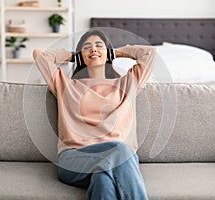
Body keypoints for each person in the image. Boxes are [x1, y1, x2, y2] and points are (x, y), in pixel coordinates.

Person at [33, 29, 156, 200]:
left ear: (108, 53)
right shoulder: (66, 85)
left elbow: (150, 52)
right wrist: (71, 55)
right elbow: (40, 55)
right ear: (80, 56)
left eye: (99, 46)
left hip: (118, 160)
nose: (93, 50)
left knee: (103, 180)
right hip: (76, 159)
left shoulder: (128, 83)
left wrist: (115, 52)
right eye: (86, 47)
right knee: (120, 150)